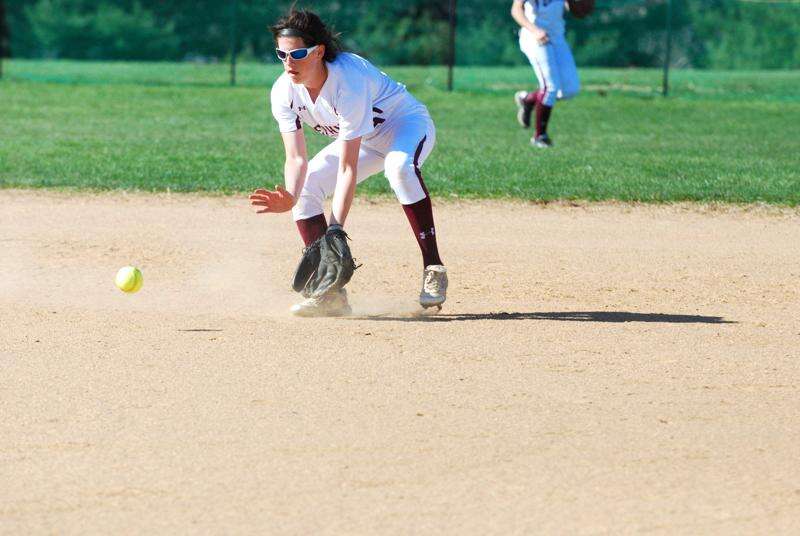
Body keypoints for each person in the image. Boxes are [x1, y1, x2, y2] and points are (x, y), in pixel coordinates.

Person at [250, 9, 448, 317]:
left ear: (318, 52)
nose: (288, 63)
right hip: (367, 140)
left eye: (297, 54)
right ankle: (331, 294)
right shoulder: (283, 92)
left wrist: (337, 227)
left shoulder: (348, 82)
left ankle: (433, 268)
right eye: (281, 54)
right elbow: (296, 157)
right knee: (306, 189)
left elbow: (347, 169)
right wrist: (290, 194)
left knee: (399, 168)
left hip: (404, 126)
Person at [511, 0, 581, 148]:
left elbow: (577, 11)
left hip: (557, 37)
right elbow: (516, 10)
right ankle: (540, 137)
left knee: (569, 90)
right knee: (550, 87)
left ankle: (528, 100)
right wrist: (534, 30)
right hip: (533, 36)